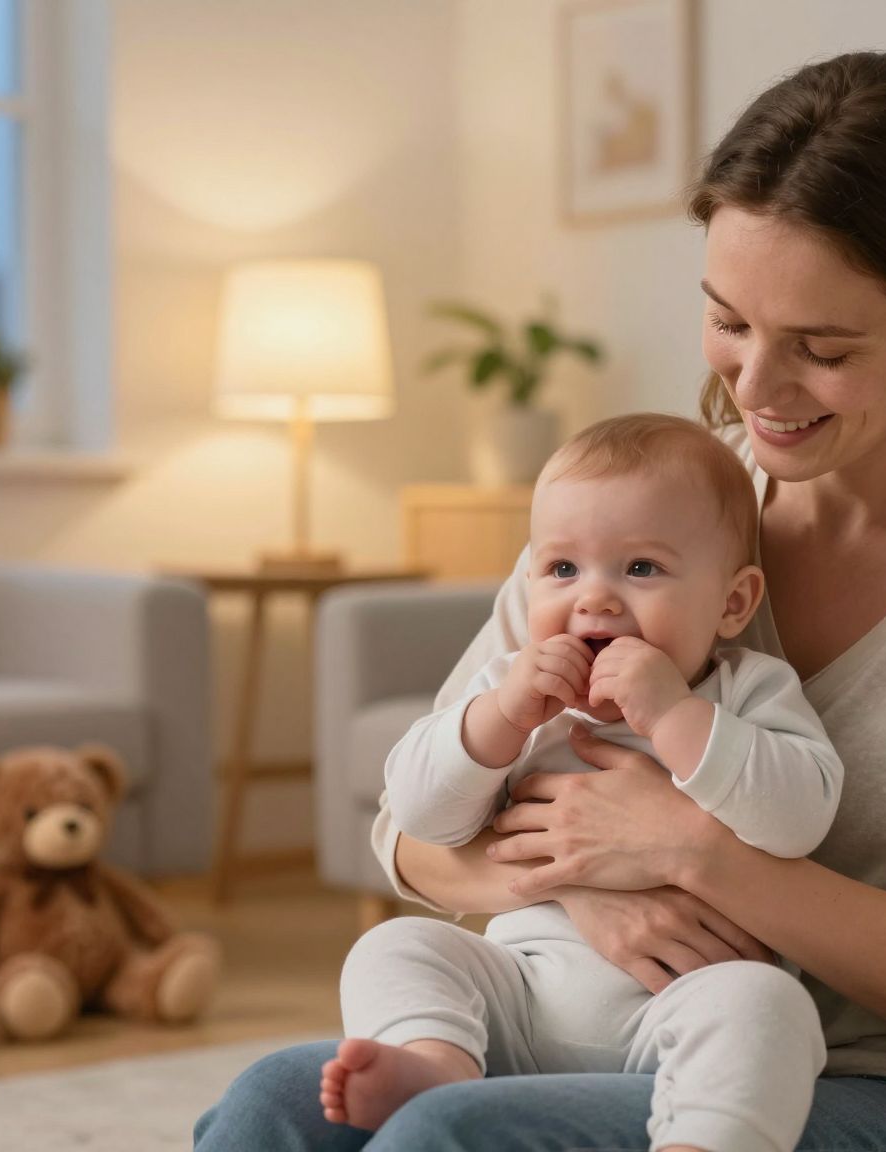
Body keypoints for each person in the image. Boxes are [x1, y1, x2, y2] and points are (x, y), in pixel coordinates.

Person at [196, 48, 886, 1152]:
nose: (754, 389)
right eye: (728, 321)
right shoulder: (662, 511)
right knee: (271, 1110)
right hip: (612, 1023)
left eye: (819, 349)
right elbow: (411, 834)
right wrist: (591, 890)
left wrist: (697, 856)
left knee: (451, 1138)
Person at [323, 413, 844, 1152]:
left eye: (641, 569)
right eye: (562, 570)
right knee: (396, 947)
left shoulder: (748, 692)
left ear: (733, 602)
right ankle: (437, 1066)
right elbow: (417, 815)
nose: (593, 599)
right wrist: (497, 720)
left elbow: (799, 817)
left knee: (769, 1008)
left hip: (681, 1004)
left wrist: (675, 715)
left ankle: (702, 1138)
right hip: (521, 991)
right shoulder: (513, 691)